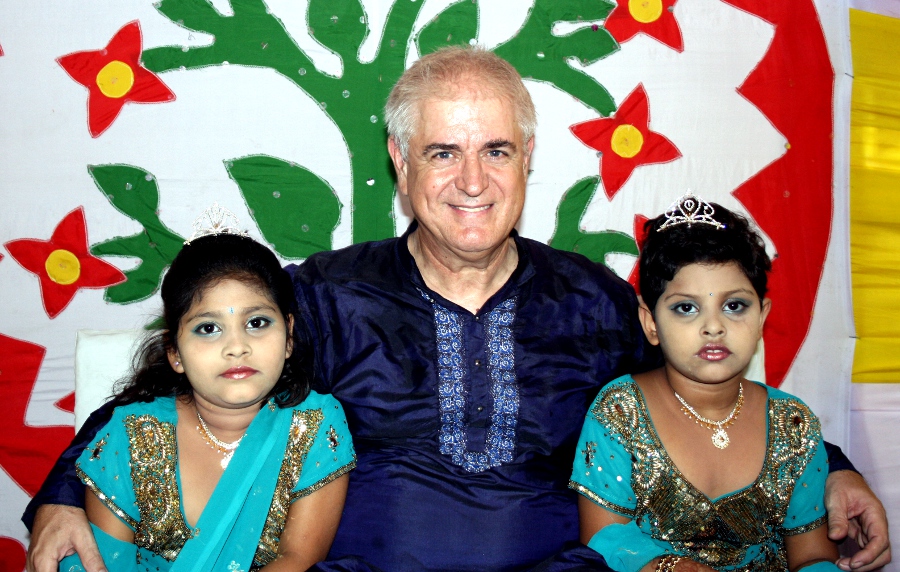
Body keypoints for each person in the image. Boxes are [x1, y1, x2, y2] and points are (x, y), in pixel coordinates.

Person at [25, 47, 890, 572]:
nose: (472, 181)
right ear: (400, 163)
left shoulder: (593, 300)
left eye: (496, 150)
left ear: (528, 158)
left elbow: (707, 394)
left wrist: (835, 468)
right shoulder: (323, 296)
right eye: (443, 152)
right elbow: (176, 386)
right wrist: (63, 492)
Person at [54, 211, 355, 571]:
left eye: (257, 322)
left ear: (289, 336)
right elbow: (103, 562)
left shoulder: (313, 425)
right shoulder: (133, 435)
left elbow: (297, 560)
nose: (237, 347)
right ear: (174, 353)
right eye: (208, 328)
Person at [571, 194, 844, 572]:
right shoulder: (620, 412)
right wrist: (671, 567)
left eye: (734, 306)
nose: (714, 327)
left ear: (761, 317)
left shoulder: (793, 424)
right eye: (686, 308)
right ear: (651, 322)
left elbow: (813, 555)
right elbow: (603, 536)